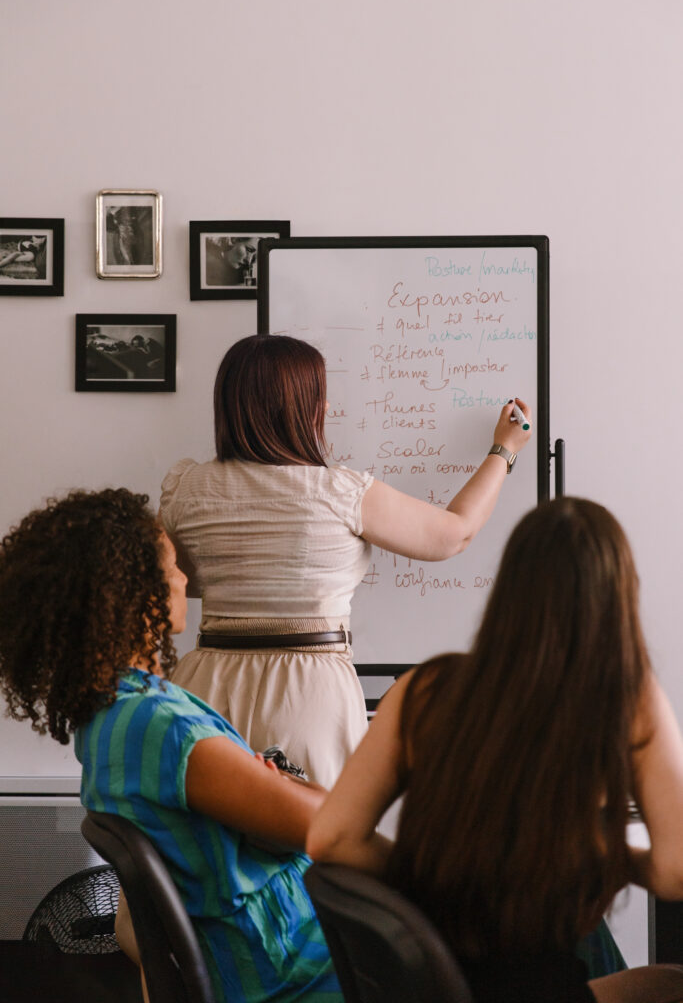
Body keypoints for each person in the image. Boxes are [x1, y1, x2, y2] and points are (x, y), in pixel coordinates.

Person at [306, 496, 683, 1003]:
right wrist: (607, 855)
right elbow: (675, 870)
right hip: (538, 992)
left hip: (438, 987)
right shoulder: (626, 699)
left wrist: (429, 875)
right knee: (671, 983)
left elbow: (330, 839)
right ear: (619, 596)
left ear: (508, 589)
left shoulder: (423, 690)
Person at [0, 489, 342, 1003]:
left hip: (268, 957)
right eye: (173, 565)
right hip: (296, 971)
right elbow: (330, 826)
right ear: (130, 592)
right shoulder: (162, 728)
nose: (184, 580)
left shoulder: (108, 716)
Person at [160, 333, 532, 787]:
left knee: (200, 825)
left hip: (204, 685)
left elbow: (176, 580)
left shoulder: (185, 488)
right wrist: (504, 450)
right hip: (308, 692)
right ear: (301, 408)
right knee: (315, 826)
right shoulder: (339, 491)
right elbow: (455, 533)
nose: (329, 407)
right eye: (320, 397)